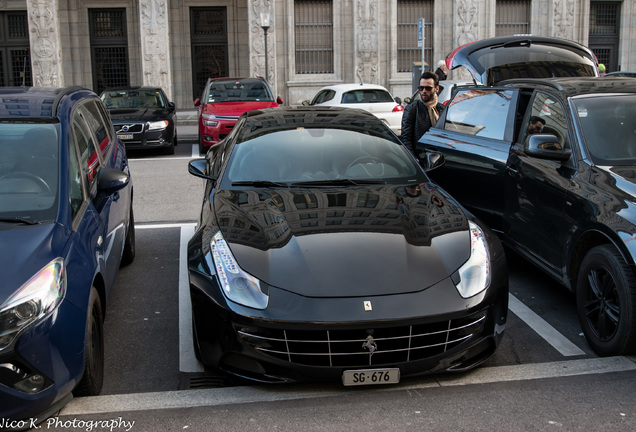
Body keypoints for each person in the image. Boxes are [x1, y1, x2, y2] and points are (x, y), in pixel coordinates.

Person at [401, 71, 445, 156]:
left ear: (436, 89)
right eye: (421, 88)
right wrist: (414, 159)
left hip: (439, 157)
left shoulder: (442, 109)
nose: (424, 91)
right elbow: (406, 138)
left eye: (428, 88)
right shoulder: (412, 109)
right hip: (420, 158)